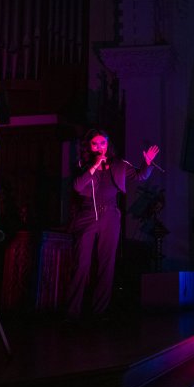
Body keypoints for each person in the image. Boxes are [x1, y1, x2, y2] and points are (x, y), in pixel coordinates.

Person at [65, 128, 160, 323]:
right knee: (81, 264)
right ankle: (72, 313)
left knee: (106, 265)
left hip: (110, 216)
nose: (99, 147)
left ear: (108, 145)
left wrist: (147, 163)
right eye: (95, 144)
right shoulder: (83, 164)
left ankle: (99, 312)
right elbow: (77, 186)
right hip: (87, 216)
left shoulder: (119, 164)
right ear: (89, 146)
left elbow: (140, 176)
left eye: (102, 143)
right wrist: (94, 166)